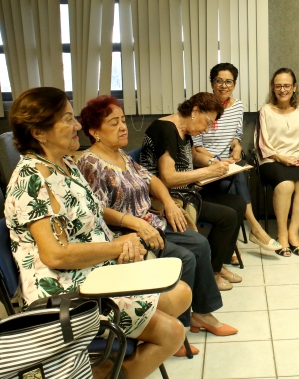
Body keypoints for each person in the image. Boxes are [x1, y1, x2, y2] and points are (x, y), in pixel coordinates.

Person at [4, 87, 191, 378]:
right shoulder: (32, 180)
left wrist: (121, 243)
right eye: (68, 119)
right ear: (39, 132)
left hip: (94, 270)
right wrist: (117, 247)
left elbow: (89, 220)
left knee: (181, 294)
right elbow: (55, 254)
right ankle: (107, 369)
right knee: (173, 333)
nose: (78, 125)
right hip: (66, 290)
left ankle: (105, 364)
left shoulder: (65, 163)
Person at [77, 95, 237, 341]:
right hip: (128, 232)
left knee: (199, 243)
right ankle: (178, 328)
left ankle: (202, 313)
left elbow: (152, 180)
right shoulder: (90, 162)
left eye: (122, 120)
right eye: (113, 123)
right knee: (185, 257)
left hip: (152, 220)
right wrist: (137, 223)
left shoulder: (120, 155)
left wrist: (171, 204)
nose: (123, 127)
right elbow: (97, 209)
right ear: (94, 131)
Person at [139, 92, 246, 291]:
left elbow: (194, 159)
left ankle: (218, 265)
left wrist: (216, 163)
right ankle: (212, 272)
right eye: (207, 123)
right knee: (227, 216)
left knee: (238, 203)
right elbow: (167, 178)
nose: (206, 129)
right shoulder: (165, 129)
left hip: (188, 193)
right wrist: (208, 171)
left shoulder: (184, 131)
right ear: (195, 111)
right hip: (169, 199)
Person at [192, 63, 281, 256]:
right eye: (219, 81)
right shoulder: (200, 108)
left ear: (234, 84)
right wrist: (216, 160)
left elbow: (236, 136)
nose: (224, 86)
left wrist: (237, 147)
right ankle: (252, 230)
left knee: (236, 177)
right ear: (212, 83)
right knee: (233, 183)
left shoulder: (237, 106)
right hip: (206, 164)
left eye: (228, 82)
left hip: (228, 163)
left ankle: (232, 241)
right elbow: (196, 147)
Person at [254, 68, 299, 257]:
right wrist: (280, 157)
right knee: (286, 185)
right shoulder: (265, 111)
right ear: (273, 88)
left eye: (287, 85)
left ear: (294, 87)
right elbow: (261, 142)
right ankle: (281, 234)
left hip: (297, 158)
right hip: (271, 160)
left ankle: (293, 233)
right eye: (278, 85)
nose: (282, 90)